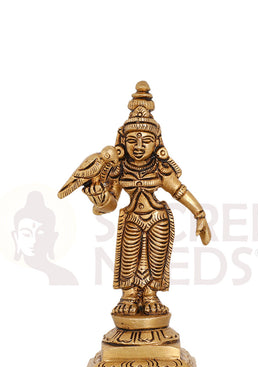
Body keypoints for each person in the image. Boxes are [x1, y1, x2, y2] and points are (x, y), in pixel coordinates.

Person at [83, 81, 210, 315]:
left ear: (157, 142)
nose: (139, 146)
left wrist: (199, 214)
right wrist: (100, 198)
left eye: (146, 140)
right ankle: (129, 296)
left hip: (158, 218)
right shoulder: (119, 169)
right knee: (128, 258)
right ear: (122, 142)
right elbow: (111, 203)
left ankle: (151, 295)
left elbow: (179, 191)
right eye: (132, 140)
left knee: (156, 258)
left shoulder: (161, 168)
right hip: (131, 218)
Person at [12, 191, 78, 285]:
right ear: (16, 237)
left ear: (52, 238)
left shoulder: (65, 278)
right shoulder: (7, 275)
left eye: (41, 235)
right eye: (26, 234)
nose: (34, 241)